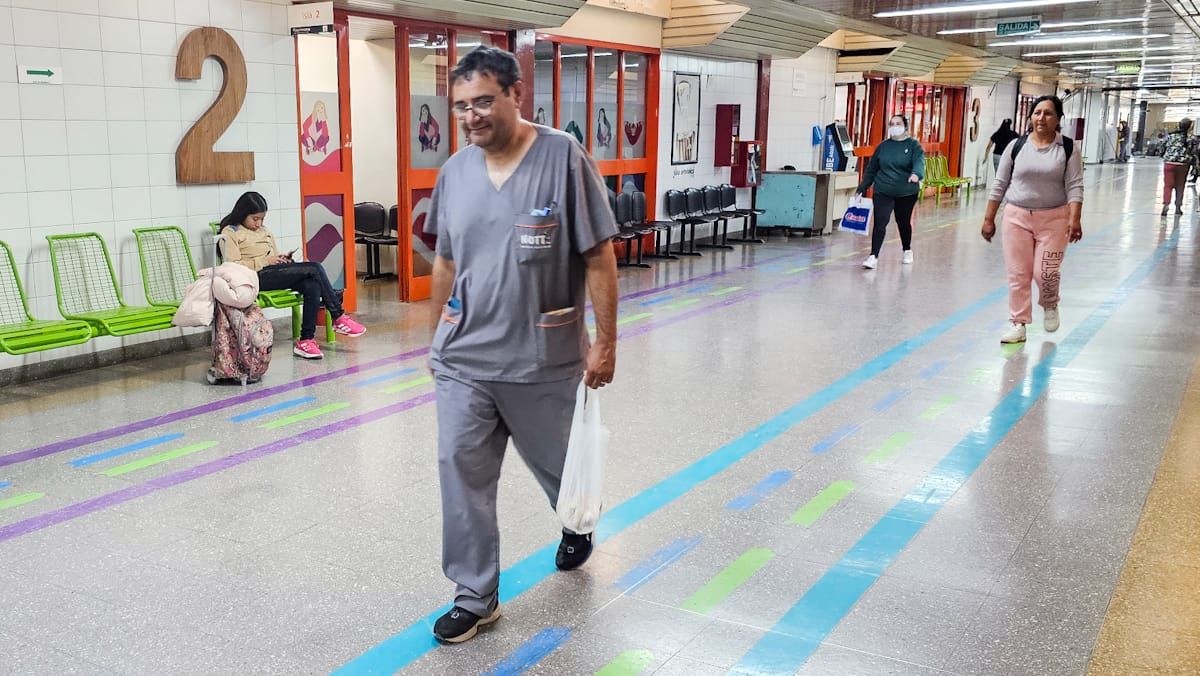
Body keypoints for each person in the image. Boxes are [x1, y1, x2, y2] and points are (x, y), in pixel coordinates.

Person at [423, 46, 619, 644]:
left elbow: (598, 256)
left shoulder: (562, 157)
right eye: (461, 106)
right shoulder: (455, 171)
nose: (472, 115)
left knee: (562, 470)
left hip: (543, 355)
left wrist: (606, 343)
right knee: (461, 471)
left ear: (515, 95)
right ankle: (474, 594)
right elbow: (446, 260)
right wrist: (436, 336)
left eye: (484, 100)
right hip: (465, 358)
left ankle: (576, 522)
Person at [981, 95, 1084, 345]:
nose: (1041, 118)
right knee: (1018, 274)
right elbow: (1000, 183)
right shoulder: (1016, 146)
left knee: (1045, 273)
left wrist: (1075, 218)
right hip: (1016, 217)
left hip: (1054, 220)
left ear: (1058, 118)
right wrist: (989, 218)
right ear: (1030, 117)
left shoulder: (1068, 148)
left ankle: (1050, 303)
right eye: (1037, 112)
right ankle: (1018, 323)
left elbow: (1075, 185)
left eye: (1048, 113)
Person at [217, 191, 365, 359]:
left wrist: (281, 259)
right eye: (255, 219)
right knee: (314, 268)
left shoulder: (264, 231)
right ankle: (338, 315)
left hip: (271, 272)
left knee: (312, 284)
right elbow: (232, 266)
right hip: (253, 278)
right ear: (242, 214)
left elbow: (272, 255)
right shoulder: (230, 232)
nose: (259, 224)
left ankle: (306, 341)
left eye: (262, 219)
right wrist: (266, 260)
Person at [856, 114, 925, 269]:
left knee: (903, 221)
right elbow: (872, 169)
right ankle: (873, 255)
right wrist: (862, 188)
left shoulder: (914, 146)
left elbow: (919, 163)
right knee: (880, 221)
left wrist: (916, 174)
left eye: (898, 123)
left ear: (905, 126)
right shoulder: (883, 147)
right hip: (883, 190)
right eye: (892, 124)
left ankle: (907, 250)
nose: (894, 126)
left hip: (906, 191)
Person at [1160, 118, 1195, 215]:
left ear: (1178, 125)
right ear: (1190, 127)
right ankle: (1178, 208)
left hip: (1169, 163)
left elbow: (1162, 147)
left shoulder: (1170, 136)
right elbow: (1193, 152)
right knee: (1180, 186)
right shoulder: (1191, 138)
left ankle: (1166, 205)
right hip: (1183, 165)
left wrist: (1164, 155)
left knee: (1168, 186)